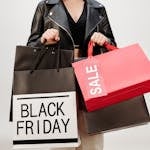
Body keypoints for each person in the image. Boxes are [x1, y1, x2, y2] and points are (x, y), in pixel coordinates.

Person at [27, 0, 116, 149]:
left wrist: (104, 39)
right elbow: (31, 48)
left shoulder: (98, 8)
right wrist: (44, 40)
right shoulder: (45, 6)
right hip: (59, 78)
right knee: (62, 141)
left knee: (92, 140)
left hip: (91, 79)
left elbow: (112, 45)